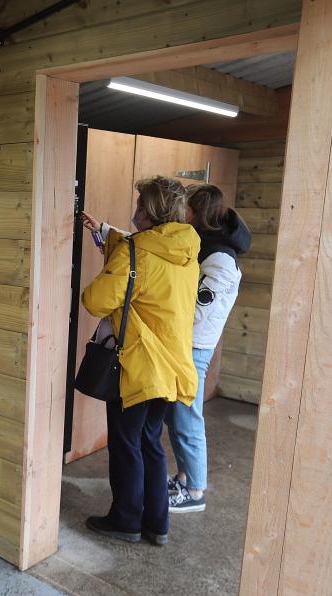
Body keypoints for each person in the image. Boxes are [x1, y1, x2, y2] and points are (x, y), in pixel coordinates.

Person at [80, 176, 200, 546]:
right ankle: (156, 524)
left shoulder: (137, 252)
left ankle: (126, 520)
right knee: (150, 444)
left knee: (126, 445)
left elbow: (96, 300)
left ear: (148, 212)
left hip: (139, 366)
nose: (135, 210)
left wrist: (112, 262)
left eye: (139, 205)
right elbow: (140, 260)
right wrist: (105, 233)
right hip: (171, 367)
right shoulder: (185, 251)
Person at [165, 184, 251, 513]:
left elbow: (200, 309)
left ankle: (196, 492)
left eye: (184, 206)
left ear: (197, 212)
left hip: (194, 346)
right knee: (177, 417)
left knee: (187, 417)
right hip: (184, 342)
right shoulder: (205, 246)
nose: (178, 211)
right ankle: (184, 477)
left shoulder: (220, 258)